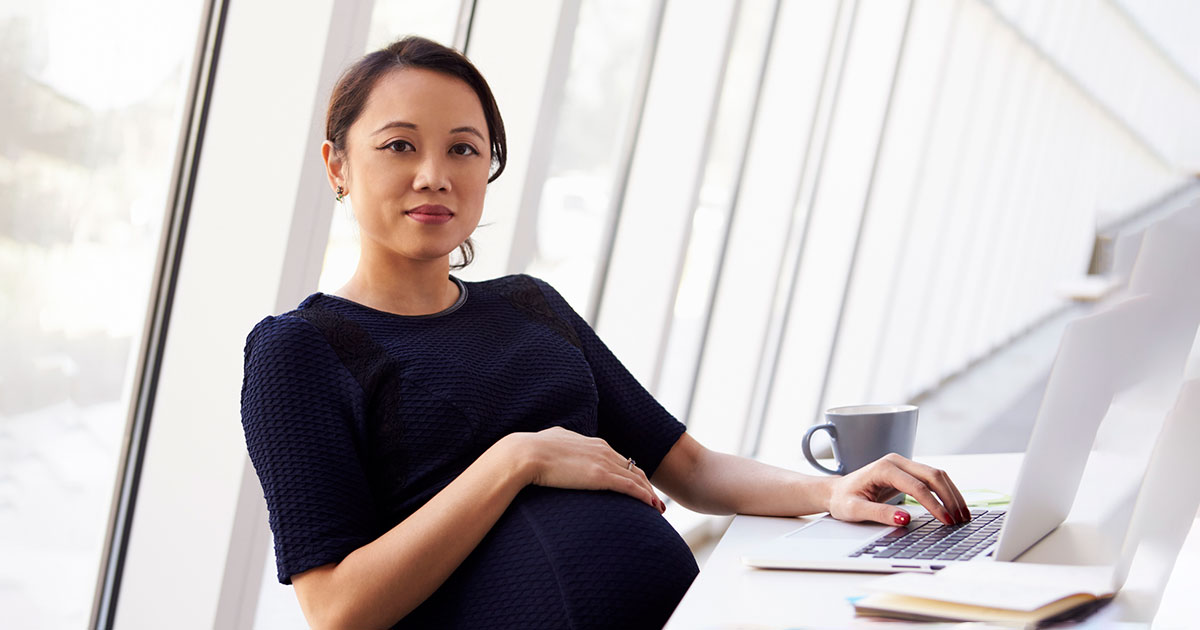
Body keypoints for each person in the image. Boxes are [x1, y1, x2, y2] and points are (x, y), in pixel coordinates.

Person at [240, 36, 970, 630]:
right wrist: (516, 460)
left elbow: (689, 467)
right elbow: (337, 608)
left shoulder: (531, 304)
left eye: (463, 149)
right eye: (399, 146)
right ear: (338, 165)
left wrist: (831, 491)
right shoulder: (300, 350)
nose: (435, 175)